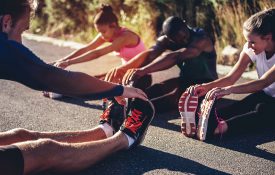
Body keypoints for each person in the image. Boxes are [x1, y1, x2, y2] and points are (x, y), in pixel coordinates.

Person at [0, 0, 155, 174]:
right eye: (23, 30)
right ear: (6, 22)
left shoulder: (125, 35)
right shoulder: (4, 47)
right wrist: (117, 89)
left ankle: (105, 130)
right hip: (122, 78)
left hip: (136, 73)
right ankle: (125, 139)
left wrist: (112, 87)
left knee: (21, 136)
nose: (20, 41)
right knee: (44, 150)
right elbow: (52, 75)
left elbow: (50, 74)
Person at [185, 8, 275, 140]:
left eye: (252, 42)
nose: (248, 46)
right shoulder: (252, 48)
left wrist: (229, 90)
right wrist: (206, 87)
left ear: (268, 38)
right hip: (267, 95)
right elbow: (231, 77)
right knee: (239, 107)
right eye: (247, 41)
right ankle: (201, 122)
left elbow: (264, 82)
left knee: (262, 111)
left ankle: (221, 128)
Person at [105, 16, 218, 113]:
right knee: (159, 88)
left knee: (176, 97)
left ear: (185, 24)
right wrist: (126, 69)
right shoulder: (166, 40)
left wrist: (143, 70)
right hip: (186, 79)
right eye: (178, 40)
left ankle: (137, 110)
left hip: (208, 83)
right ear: (169, 38)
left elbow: (175, 56)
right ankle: (122, 102)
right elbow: (150, 55)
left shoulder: (201, 39)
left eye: (185, 36)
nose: (184, 41)